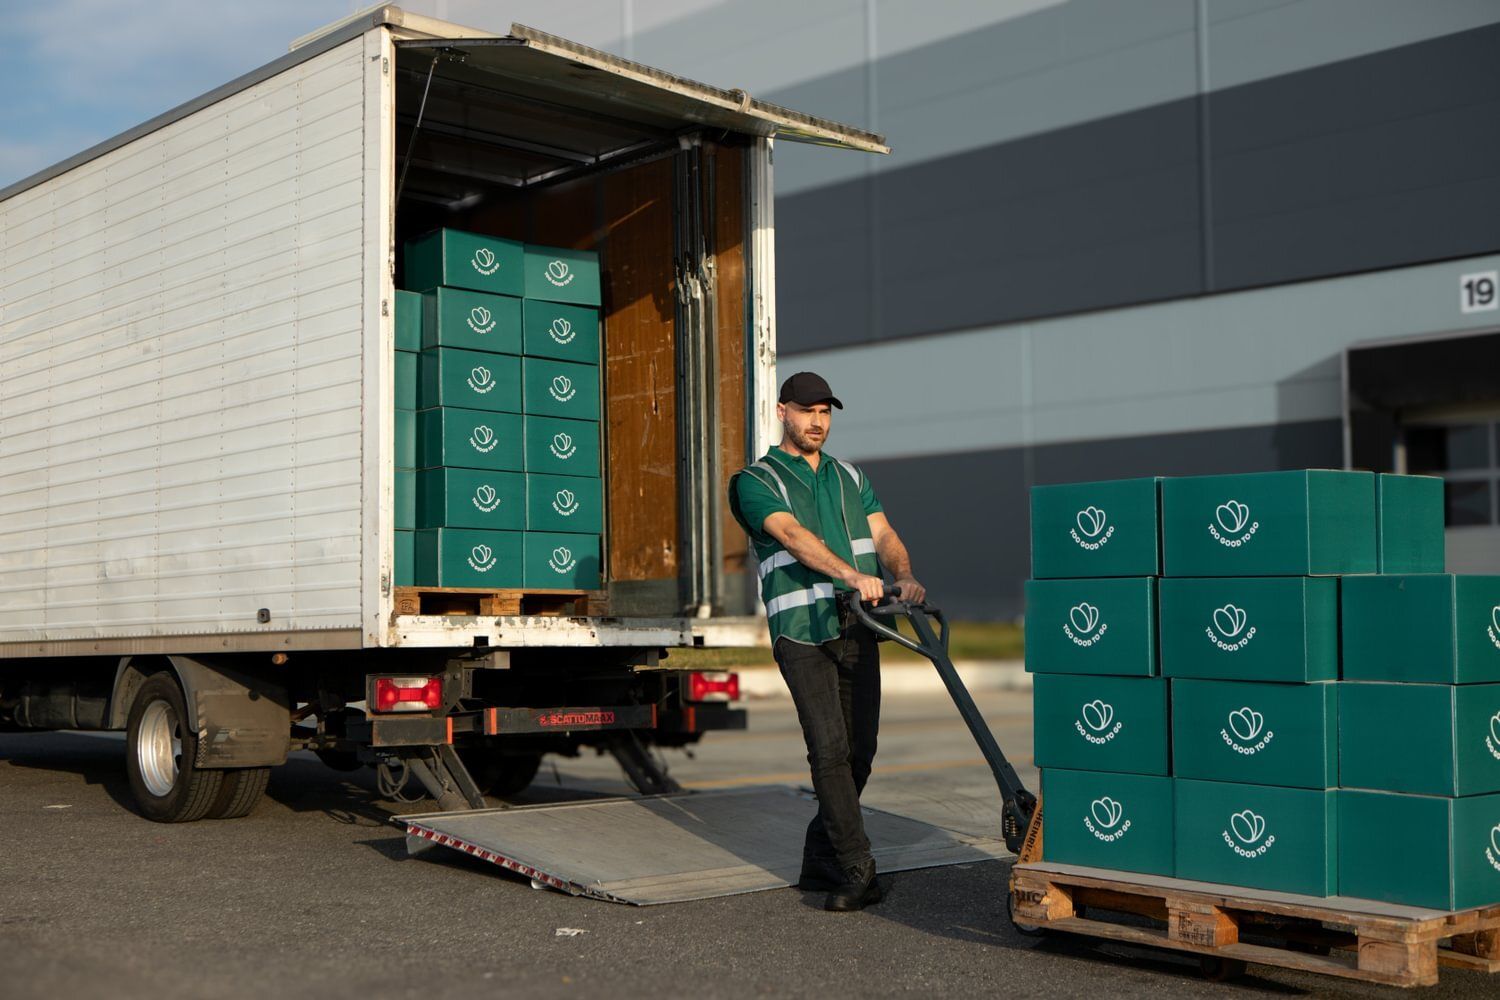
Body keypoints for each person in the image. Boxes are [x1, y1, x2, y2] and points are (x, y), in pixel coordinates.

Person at [728, 371, 926, 912]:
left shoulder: (849, 476)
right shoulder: (755, 480)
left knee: (861, 751)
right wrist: (850, 575)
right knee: (830, 751)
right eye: (807, 411)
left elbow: (883, 534)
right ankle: (857, 867)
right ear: (782, 412)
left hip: (860, 627)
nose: (817, 422)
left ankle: (819, 855)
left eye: (826, 412)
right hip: (801, 633)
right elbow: (791, 536)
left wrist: (902, 574)